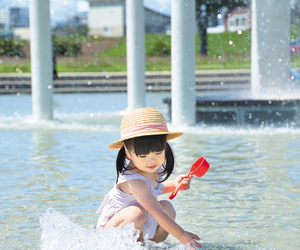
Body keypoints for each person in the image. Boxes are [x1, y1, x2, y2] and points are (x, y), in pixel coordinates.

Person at [96, 107, 202, 249]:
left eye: (158, 153)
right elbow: (155, 210)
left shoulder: (152, 170)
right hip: (113, 232)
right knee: (137, 213)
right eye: (144, 156)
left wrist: (175, 184)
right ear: (128, 153)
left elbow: (155, 188)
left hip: (141, 222)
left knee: (168, 208)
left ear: (165, 146)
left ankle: (152, 246)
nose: (151, 161)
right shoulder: (133, 180)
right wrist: (181, 234)